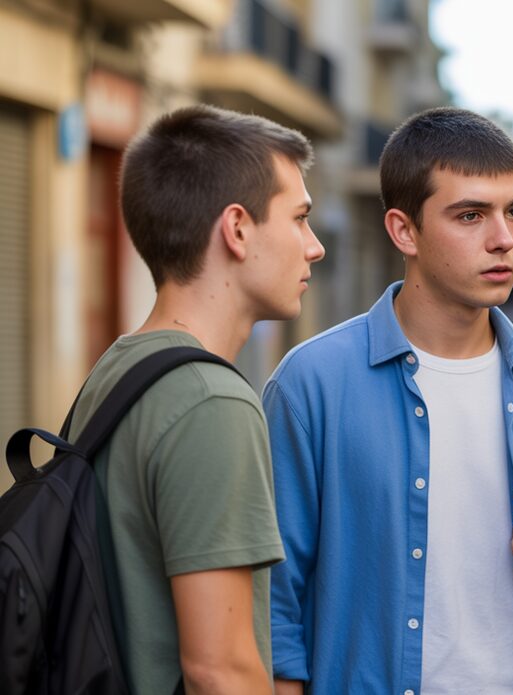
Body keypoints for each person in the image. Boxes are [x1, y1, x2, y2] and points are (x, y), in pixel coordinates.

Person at [266, 107, 513, 694]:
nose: (503, 239)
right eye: (471, 215)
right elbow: (273, 603)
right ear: (404, 231)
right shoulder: (311, 383)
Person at [67, 104, 325, 693]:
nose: (314, 247)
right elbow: (220, 670)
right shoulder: (212, 402)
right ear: (237, 229)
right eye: (299, 218)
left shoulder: (120, 365)